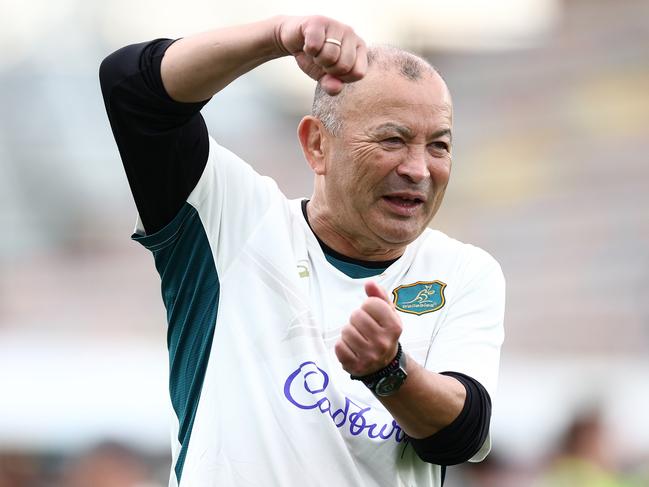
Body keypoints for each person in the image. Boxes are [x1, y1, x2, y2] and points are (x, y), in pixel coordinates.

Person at [100, 15, 505, 487]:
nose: (418, 169)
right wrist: (276, 38)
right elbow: (132, 87)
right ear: (317, 144)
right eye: (392, 140)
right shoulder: (230, 220)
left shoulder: (464, 272)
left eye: (439, 145)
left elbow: (461, 437)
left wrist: (389, 371)